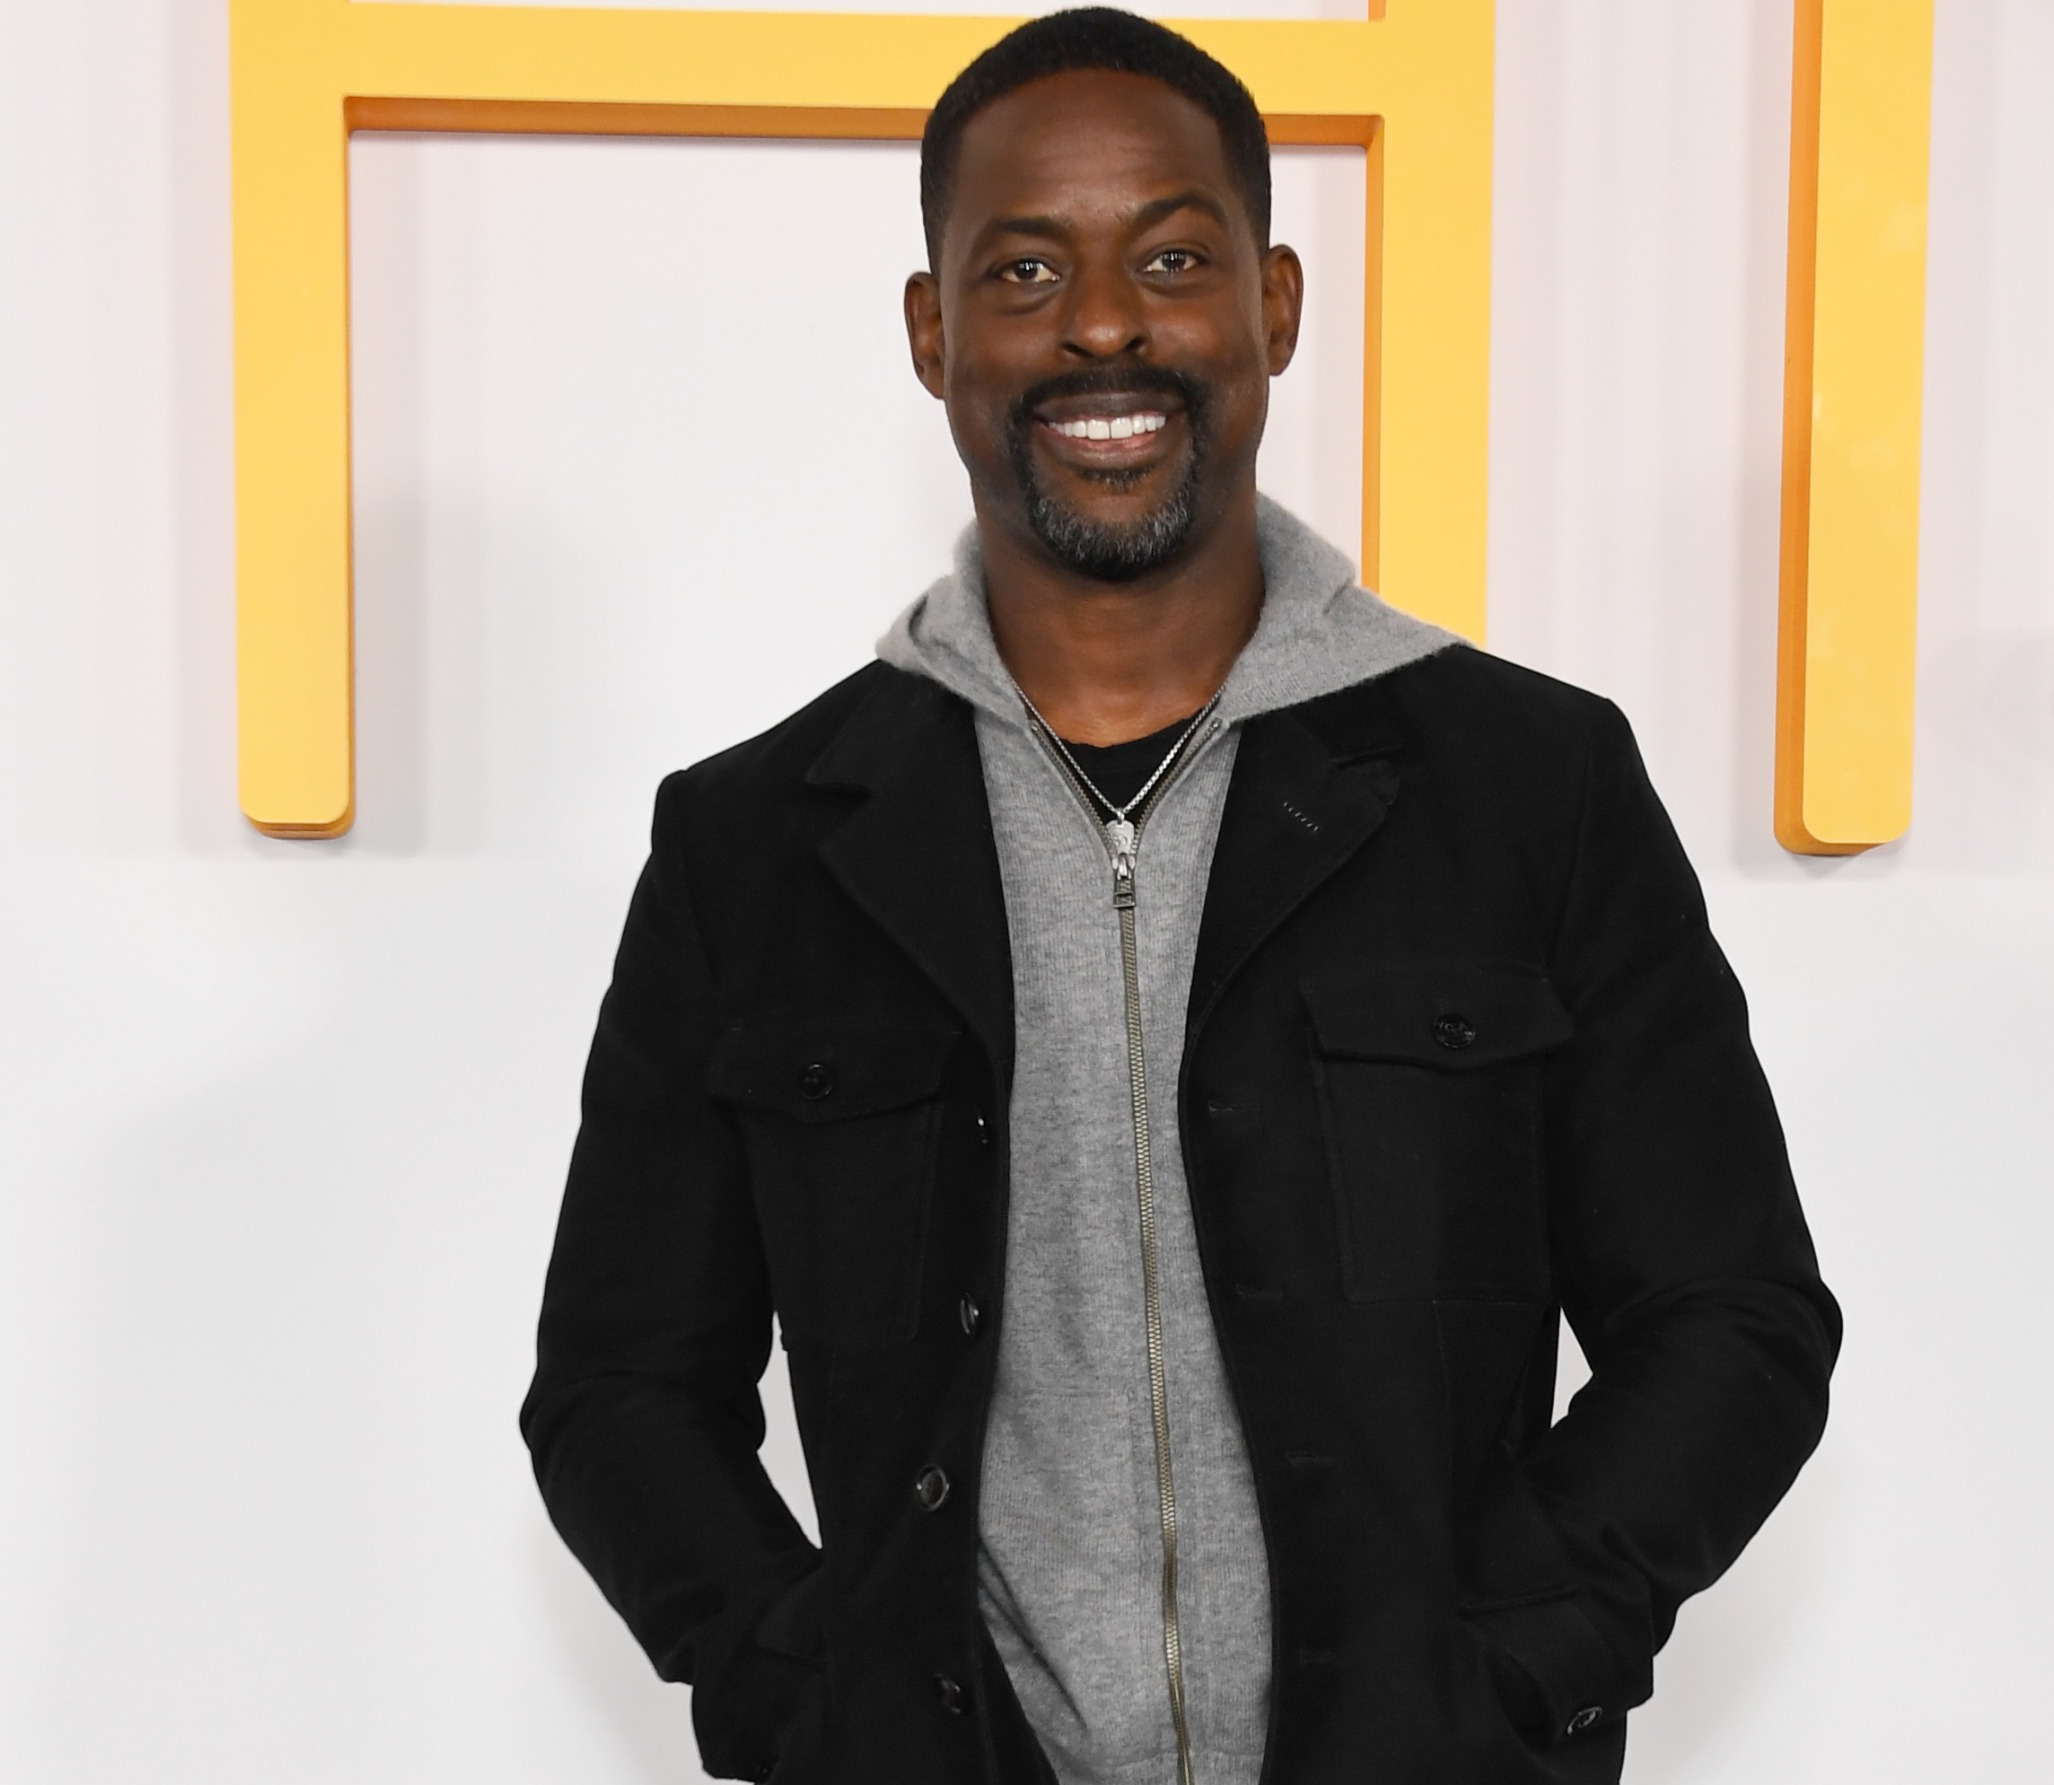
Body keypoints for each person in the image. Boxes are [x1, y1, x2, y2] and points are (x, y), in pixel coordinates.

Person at [521, 11, 1839, 1784]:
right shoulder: (754, 848)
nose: (1103, 324)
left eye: (1170, 258)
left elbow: (1734, 1318)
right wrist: (805, 1697)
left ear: (1274, 305)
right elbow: (616, 1386)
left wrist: (1510, 1665)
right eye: (1024, 269)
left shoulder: (1533, 788)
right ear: (931, 333)